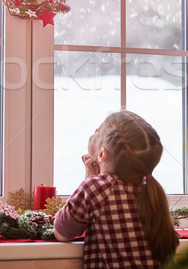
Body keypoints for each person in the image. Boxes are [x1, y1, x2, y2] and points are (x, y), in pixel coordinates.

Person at [54, 110, 179, 268]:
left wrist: (89, 180)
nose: (93, 134)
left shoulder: (96, 188)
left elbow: (62, 231)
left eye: (98, 132)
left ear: (102, 154)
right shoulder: (150, 189)